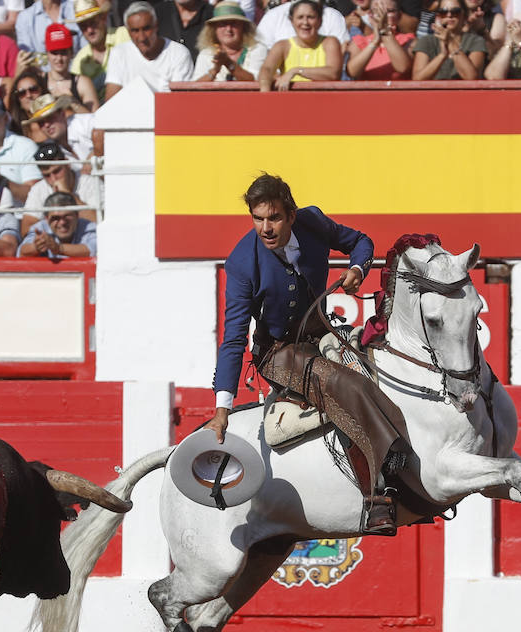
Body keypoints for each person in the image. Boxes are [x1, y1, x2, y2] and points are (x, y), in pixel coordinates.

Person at [216, 173, 405, 536]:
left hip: (322, 332)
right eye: (257, 219)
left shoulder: (313, 221)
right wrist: (222, 406)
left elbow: (362, 242)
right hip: (278, 353)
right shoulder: (241, 263)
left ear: (291, 214)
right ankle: (376, 499)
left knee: (376, 370)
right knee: (340, 382)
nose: (265, 228)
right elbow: (233, 339)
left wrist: (356, 269)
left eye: (273, 218)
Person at [103, 1, 194, 100]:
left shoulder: (179, 54)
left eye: (146, 29)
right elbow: (111, 100)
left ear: (156, 26)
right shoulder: (119, 53)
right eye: (135, 31)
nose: (142, 37)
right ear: (128, 32)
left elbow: (179, 100)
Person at [259, 0, 343, 90]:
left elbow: (333, 73)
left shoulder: (330, 42)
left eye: (310, 17)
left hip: (324, 100)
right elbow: (266, 69)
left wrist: (296, 71)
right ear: (292, 21)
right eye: (300, 17)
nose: (305, 22)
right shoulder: (282, 46)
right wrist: (265, 91)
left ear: (320, 21)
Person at [19, 139, 98, 235]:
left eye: (57, 171)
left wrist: (69, 195)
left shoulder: (90, 182)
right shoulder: (39, 189)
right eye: (47, 175)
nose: (53, 179)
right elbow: (26, 230)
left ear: (67, 164)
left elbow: (98, 221)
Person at [411, 0, 485, 79]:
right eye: (443, 12)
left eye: (455, 11)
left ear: (464, 15)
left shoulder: (475, 41)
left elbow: (472, 77)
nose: (449, 15)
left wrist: (450, 42)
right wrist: (442, 55)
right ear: (438, 16)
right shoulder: (426, 41)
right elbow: (417, 79)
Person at [194, 2, 266, 82]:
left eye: (234, 24)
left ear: (243, 27)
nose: (229, 29)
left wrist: (228, 63)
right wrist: (215, 70)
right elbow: (194, 87)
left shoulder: (257, 49)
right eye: (223, 24)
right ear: (214, 29)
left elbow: (256, 81)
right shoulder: (206, 54)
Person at [71, 0, 127, 98]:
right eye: (83, 26)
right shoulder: (79, 61)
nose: (89, 30)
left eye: (93, 23)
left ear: (104, 18)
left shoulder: (124, 35)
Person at [16, 188, 94, 258]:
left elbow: (95, 250)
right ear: (46, 219)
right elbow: (22, 252)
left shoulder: (89, 227)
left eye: (67, 216)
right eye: (56, 218)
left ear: (77, 215)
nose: (62, 222)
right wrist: (36, 247)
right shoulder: (40, 228)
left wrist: (59, 248)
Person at [347, 0, 413, 79]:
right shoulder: (359, 42)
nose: (382, 16)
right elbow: (352, 72)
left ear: (399, 15)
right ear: (370, 16)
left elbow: (402, 68)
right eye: (376, 10)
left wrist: (385, 31)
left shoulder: (409, 40)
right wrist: (374, 42)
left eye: (389, 11)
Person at [42, 22, 98, 108]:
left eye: (63, 53)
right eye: (54, 53)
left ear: (71, 53)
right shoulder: (39, 82)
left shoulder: (82, 83)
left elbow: (95, 119)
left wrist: (72, 102)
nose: (59, 58)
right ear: (47, 54)